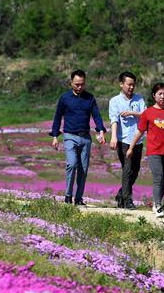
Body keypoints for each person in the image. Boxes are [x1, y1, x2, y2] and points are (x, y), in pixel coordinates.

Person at [50, 69, 106, 206]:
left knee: (83, 169)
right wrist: (55, 136)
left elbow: (97, 116)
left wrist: (101, 131)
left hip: (85, 138)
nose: (79, 87)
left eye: (82, 84)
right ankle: (68, 196)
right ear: (71, 83)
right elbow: (58, 117)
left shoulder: (90, 98)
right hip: (69, 136)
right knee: (72, 164)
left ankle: (78, 198)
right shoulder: (64, 98)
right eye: (76, 84)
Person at [127, 82, 164, 217]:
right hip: (154, 151)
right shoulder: (148, 113)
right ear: (154, 96)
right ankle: (158, 206)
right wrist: (131, 147)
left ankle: (156, 203)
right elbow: (139, 132)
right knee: (158, 177)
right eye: (160, 94)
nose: (163, 96)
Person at [108, 71, 146, 209]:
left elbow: (146, 115)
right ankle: (127, 200)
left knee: (135, 171)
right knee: (127, 169)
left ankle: (120, 194)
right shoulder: (115, 101)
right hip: (123, 140)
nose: (131, 87)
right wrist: (113, 137)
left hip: (138, 140)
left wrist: (132, 113)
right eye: (128, 84)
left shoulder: (139, 99)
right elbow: (114, 120)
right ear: (121, 84)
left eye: (133, 85)